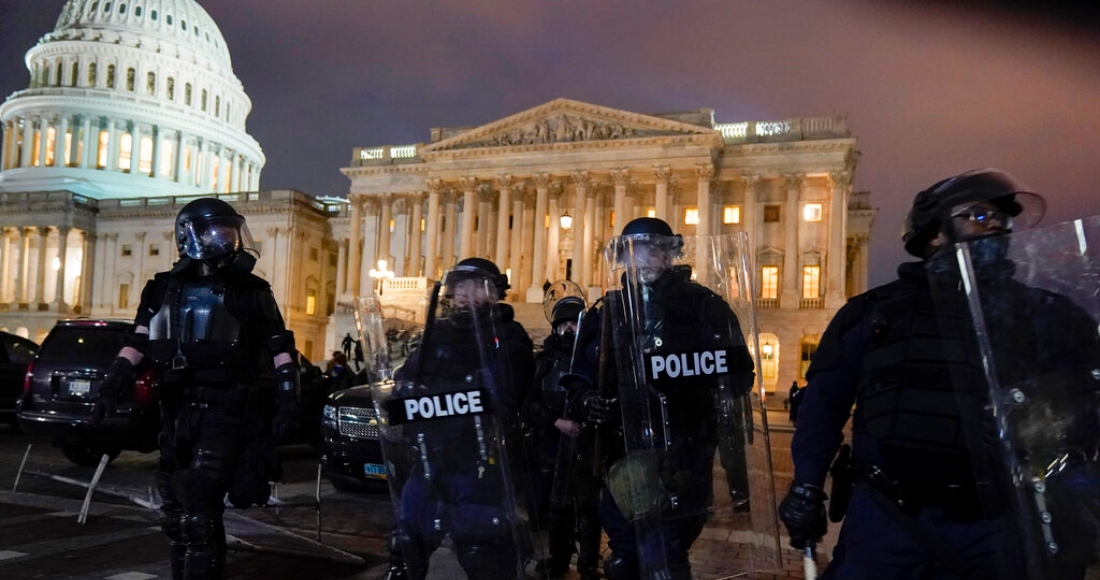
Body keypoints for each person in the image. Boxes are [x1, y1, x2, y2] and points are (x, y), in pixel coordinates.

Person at [779, 169, 1100, 579]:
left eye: (1002, 219)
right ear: (934, 234)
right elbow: (823, 404)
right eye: (978, 216)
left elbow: (1083, 410)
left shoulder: (1045, 315)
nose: (996, 227)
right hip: (887, 516)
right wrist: (806, 484)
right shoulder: (872, 312)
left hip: (995, 521)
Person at [92, 198, 299, 580]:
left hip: (224, 411)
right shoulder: (162, 288)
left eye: (231, 231)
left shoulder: (252, 290)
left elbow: (280, 348)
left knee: (198, 511)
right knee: (173, 515)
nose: (227, 240)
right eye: (216, 231)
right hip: (175, 410)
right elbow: (137, 342)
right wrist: (110, 388)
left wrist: (289, 403)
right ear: (189, 235)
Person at [564, 217, 756, 580]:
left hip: (682, 451)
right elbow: (578, 377)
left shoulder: (704, 306)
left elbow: (738, 372)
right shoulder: (606, 311)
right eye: (634, 251)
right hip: (621, 454)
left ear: (670, 255)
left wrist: (692, 383)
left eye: (653, 249)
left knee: (665, 553)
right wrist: (586, 399)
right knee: (625, 555)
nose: (643, 259)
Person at [382, 257, 536, 580]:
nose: (466, 295)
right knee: (405, 547)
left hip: (479, 465)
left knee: (485, 555)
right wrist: (400, 396)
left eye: (476, 287)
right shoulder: (435, 335)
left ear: (495, 293)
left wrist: (445, 399)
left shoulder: (508, 336)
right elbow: (405, 383)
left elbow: (505, 396)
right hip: (430, 460)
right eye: (459, 288)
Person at [523, 294, 602, 580]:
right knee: (558, 505)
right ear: (556, 327)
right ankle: (558, 559)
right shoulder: (543, 362)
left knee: (589, 506)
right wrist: (556, 422)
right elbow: (528, 403)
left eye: (575, 323)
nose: (570, 329)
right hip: (553, 444)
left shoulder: (595, 362)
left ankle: (589, 562)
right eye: (564, 324)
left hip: (586, 444)